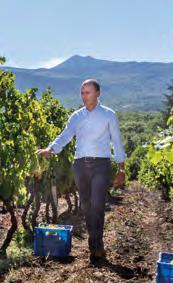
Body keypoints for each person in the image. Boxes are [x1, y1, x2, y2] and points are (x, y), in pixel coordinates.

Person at [35, 79, 126, 264]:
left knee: (98, 205)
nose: (84, 96)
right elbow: (65, 135)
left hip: (101, 164)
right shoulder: (76, 116)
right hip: (80, 165)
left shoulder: (109, 115)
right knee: (86, 206)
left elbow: (116, 141)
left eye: (88, 92)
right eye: (82, 92)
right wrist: (50, 149)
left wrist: (121, 168)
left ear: (98, 93)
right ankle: (96, 245)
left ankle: (96, 246)